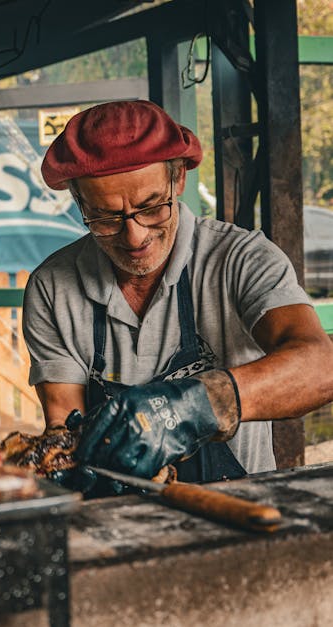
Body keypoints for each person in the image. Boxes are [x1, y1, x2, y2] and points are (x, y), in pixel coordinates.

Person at [23, 100, 333, 484]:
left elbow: (322, 367)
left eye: (152, 207)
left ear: (179, 178)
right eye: (106, 216)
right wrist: (76, 469)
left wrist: (195, 405)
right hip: (114, 512)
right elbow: (63, 430)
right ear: (79, 201)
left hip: (234, 507)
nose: (134, 236)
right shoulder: (53, 287)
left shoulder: (240, 259)